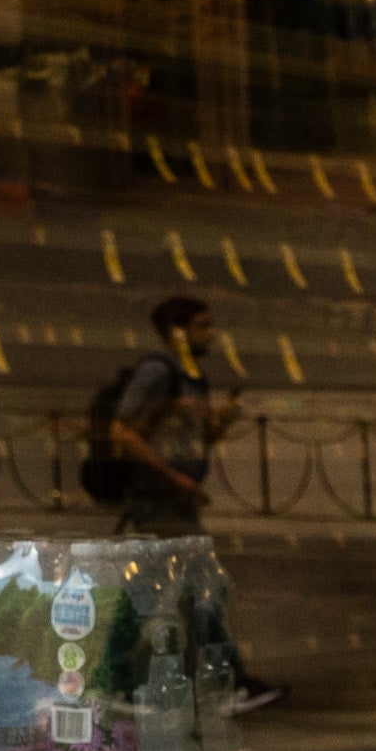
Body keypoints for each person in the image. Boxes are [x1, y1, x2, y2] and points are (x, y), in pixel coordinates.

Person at [81, 291, 282, 712]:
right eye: (202, 325)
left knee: (149, 593)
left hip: (176, 501)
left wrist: (219, 425)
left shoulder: (192, 377)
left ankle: (114, 682)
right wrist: (174, 478)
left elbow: (195, 438)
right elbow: (124, 431)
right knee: (201, 588)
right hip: (158, 500)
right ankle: (225, 680)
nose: (210, 333)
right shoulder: (158, 372)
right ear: (177, 332)